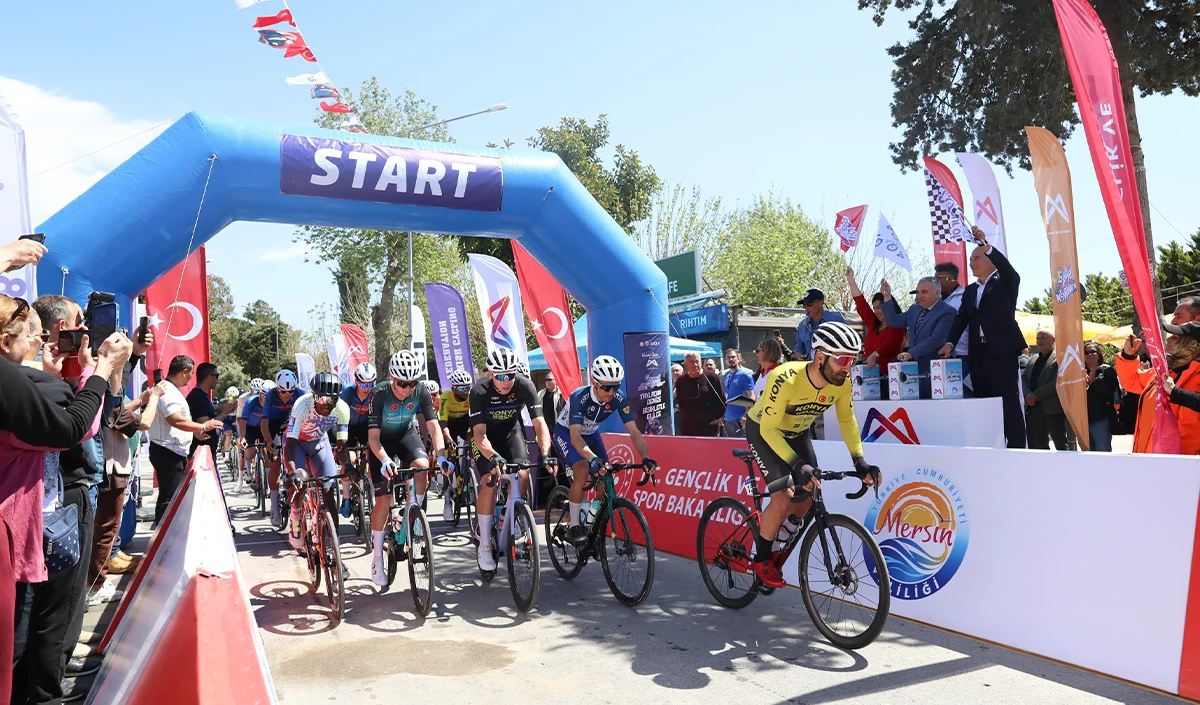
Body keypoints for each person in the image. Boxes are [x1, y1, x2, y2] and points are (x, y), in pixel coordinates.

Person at [743, 321, 880, 587]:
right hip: (764, 431)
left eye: (852, 360)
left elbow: (847, 420)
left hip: (797, 432)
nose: (847, 366)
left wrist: (859, 460)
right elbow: (770, 430)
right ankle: (761, 559)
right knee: (783, 497)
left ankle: (778, 531)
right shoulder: (785, 377)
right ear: (820, 356)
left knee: (810, 493)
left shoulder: (842, 381)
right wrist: (796, 464)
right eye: (842, 359)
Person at [366, 352, 451, 585]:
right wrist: (384, 460)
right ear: (392, 378)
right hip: (381, 443)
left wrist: (441, 457)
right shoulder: (379, 395)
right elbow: (373, 438)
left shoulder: (421, 391)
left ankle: (414, 513)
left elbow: (434, 429)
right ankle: (375, 558)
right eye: (403, 383)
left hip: (405, 435)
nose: (407, 388)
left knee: (423, 466)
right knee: (383, 500)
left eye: (412, 383)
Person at [938, 226, 1027, 448]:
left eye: (977, 258)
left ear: (990, 260)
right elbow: (961, 319)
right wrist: (949, 343)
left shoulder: (1005, 283)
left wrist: (984, 243)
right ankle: (991, 449)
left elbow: (1009, 270)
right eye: (970, 259)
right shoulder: (969, 291)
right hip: (979, 354)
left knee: (1009, 405)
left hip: (1002, 352)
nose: (972, 262)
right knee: (984, 404)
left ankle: (1017, 451)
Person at [552, 356, 656, 544]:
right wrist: (592, 458)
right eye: (606, 387)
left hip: (591, 433)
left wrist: (646, 457)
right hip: (567, 432)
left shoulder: (617, 398)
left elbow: (634, 432)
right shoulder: (579, 398)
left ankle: (591, 521)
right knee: (583, 469)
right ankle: (574, 525)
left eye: (615, 386)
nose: (611, 392)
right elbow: (575, 437)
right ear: (594, 383)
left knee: (606, 478)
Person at [469, 347, 553, 573]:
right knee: (490, 479)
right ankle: (485, 543)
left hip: (510, 433)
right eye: (501, 376)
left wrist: (545, 453)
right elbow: (478, 434)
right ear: (491, 374)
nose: (507, 381)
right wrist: (493, 455)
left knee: (523, 474)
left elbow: (539, 424)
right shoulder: (479, 392)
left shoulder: (525, 385)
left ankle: (509, 514)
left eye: (511, 375)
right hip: (485, 438)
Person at [283, 373, 352, 578]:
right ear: (313, 396)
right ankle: (295, 516)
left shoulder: (342, 410)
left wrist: (347, 464)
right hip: (297, 444)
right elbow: (290, 444)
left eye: (332, 399)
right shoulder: (302, 405)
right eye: (322, 399)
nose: (327, 404)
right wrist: (293, 472)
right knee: (301, 479)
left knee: (329, 490)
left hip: (319, 444)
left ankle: (335, 552)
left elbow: (341, 446)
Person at [148, 355, 224, 523]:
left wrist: (194, 433)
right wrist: (203, 427)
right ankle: (163, 541)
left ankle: (166, 537)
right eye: (191, 373)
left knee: (172, 497)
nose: (192, 378)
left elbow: (179, 421)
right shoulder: (167, 390)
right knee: (169, 498)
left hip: (172, 450)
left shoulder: (171, 390)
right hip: (168, 451)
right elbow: (175, 419)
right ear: (184, 372)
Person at [1116, 324, 1200, 454]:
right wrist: (1128, 356)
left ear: (1192, 345)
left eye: (1176, 338)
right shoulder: (1163, 372)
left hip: (1186, 466)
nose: (1168, 340)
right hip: (1150, 461)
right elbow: (1131, 381)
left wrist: (1176, 393)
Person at [882, 276, 956, 398]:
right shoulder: (914, 309)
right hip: (914, 371)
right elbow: (892, 320)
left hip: (936, 372)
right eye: (917, 292)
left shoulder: (948, 312)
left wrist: (911, 353)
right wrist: (887, 297)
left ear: (937, 293)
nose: (919, 296)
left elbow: (937, 339)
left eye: (924, 292)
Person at [259, 370, 302, 526]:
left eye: (290, 391)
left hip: (292, 424)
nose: (287, 394)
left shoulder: (300, 393)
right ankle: (274, 506)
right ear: (277, 388)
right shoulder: (271, 395)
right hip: (274, 425)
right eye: (283, 391)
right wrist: (269, 440)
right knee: (276, 462)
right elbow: (264, 423)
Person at [1022, 328, 1074, 450]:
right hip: (1033, 410)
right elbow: (1023, 379)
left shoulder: (1061, 358)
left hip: (1052, 409)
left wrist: (1035, 395)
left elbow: (1057, 381)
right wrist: (1027, 394)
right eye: (1038, 338)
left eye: (1044, 337)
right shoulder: (1032, 359)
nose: (1040, 341)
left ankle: (1065, 468)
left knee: (1060, 444)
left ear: (1054, 340)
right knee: (1039, 445)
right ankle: (1043, 468)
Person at [338, 362, 378, 518]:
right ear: (356, 381)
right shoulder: (347, 393)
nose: (366, 387)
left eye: (370, 384)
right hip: (348, 428)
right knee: (350, 460)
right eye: (362, 383)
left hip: (367, 428)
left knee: (373, 458)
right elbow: (339, 415)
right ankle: (346, 497)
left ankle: (373, 496)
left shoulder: (376, 394)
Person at [846, 267, 904, 372]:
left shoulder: (898, 324)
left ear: (888, 305)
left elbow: (888, 344)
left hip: (889, 377)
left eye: (879, 307)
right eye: (874, 308)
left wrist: (875, 354)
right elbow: (861, 303)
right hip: (869, 376)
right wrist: (851, 281)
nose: (876, 311)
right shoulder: (873, 323)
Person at [438, 369, 474, 520]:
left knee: (474, 445)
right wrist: (448, 440)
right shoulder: (445, 397)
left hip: (464, 423)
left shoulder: (471, 396)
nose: (465, 391)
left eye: (467, 387)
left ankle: (471, 483)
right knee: (449, 463)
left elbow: (476, 420)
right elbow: (443, 424)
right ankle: (447, 501)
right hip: (449, 427)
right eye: (461, 388)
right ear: (453, 388)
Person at [675, 351, 726, 436]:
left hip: (710, 428)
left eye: (697, 361)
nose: (695, 365)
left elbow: (722, 400)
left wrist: (716, 419)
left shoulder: (712, 377)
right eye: (691, 362)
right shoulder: (681, 380)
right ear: (685, 365)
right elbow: (680, 401)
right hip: (689, 428)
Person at [936, 262, 971, 382]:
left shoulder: (965, 297)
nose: (935, 283)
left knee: (960, 392)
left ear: (949, 279)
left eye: (937, 279)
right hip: (940, 355)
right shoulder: (936, 299)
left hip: (962, 354)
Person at [186, 362, 229, 460]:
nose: (217, 379)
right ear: (209, 377)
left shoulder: (202, 395)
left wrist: (221, 412)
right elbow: (204, 424)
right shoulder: (198, 397)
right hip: (201, 453)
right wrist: (224, 413)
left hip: (206, 450)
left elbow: (209, 419)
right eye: (216, 376)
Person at [1084, 341, 1120, 452]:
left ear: (1099, 354)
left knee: (1102, 451)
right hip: (1084, 420)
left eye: (1093, 352)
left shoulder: (1107, 371)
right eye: (1087, 352)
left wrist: (1094, 381)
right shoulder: (1080, 372)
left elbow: (1109, 394)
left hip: (1101, 419)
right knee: (1088, 453)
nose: (1090, 355)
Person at [793, 288, 845, 361]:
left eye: (809, 304)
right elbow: (798, 348)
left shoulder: (836, 320)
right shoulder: (802, 325)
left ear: (821, 303)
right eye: (804, 305)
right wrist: (799, 355)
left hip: (832, 369)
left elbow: (847, 347)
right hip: (810, 369)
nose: (806, 308)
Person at [720, 348, 755, 437]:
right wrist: (723, 416)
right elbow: (727, 397)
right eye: (728, 358)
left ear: (738, 359)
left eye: (733, 357)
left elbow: (752, 396)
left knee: (741, 448)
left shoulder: (745, 374)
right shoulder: (727, 376)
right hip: (728, 420)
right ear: (726, 361)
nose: (731, 359)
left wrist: (746, 415)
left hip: (740, 419)